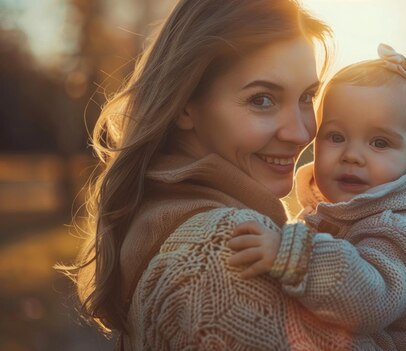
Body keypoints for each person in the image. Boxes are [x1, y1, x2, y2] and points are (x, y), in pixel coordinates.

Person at [61, 0, 364, 349]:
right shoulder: (221, 255)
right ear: (185, 105)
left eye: (307, 97)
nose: (300, 132)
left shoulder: (172, 218)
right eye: (262, 100)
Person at [228, 44, 406, 350]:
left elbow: (367, 300)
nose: (352, 155)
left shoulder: (400, 232)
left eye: (379, 142)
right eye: (336, 137)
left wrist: (290, 254)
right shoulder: (344, 213)